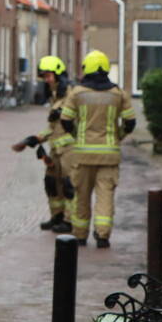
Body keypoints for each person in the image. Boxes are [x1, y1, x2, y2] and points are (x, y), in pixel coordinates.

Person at [60, 50, 136, 248]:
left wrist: (77, 137)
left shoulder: (77, 93)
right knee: (105, 196)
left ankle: (80, 234)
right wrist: (118, 136)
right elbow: (130, 122)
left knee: (81, 195)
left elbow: (65, 120)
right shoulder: (118, 94)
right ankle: (102, 236)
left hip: (83, 155)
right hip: (109, 156)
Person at [11, 55, 75, 233]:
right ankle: (57, 216)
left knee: (69, 185)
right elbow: (53, 126)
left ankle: (69, 221)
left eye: (49, 76)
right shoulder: (55, 96)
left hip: (70, 150)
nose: (46, 80)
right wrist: (36, 139)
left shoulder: (71, 93)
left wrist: (63, 113)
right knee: (52, 183)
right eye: (44, 77)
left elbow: (75, 119)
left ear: (58, 74)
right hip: (56, 149)